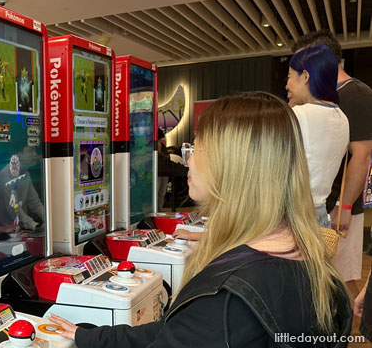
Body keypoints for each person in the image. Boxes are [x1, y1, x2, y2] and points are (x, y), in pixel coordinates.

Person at [50, 92, 352, 347]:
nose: (189, 157)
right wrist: (89, 337)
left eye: (197, 146)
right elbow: (174, 331)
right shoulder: (304, 259)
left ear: (231, 164)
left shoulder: (225, 303)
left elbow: (194, 330)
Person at [292, 30, 372, 301]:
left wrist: (344, 206)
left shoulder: (355, 94)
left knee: (342, 281)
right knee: (325, 281)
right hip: (324, 204)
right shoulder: (327, 102)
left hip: (339, 206)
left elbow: (361, 155)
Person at [285, 44, 349, 228]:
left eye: (289, 76)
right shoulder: (342, 118)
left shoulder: (299, 115)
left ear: (305, 76)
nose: (286, 84)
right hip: (319, 216)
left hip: (292, 217)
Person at [0, 145, 45, 244]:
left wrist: (47, 219)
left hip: (18, 229)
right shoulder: (6, 176)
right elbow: (13, 208)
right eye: (30, 151)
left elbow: (34, 202)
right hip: (4, 233)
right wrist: (34, 225)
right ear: (18, 155)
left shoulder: (25, 174)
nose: (34, 154)